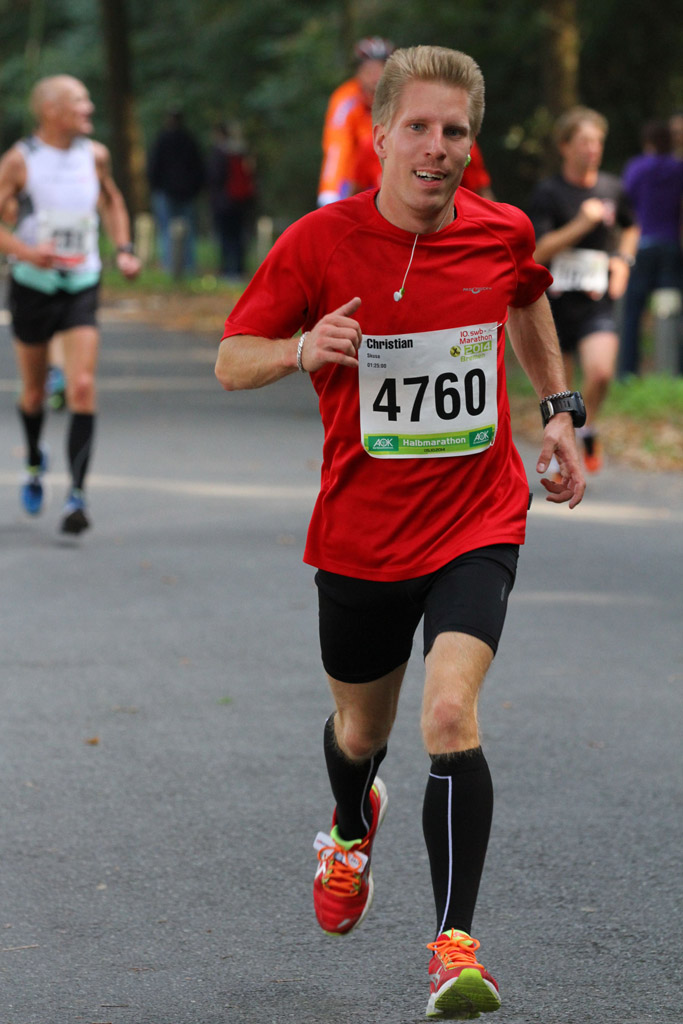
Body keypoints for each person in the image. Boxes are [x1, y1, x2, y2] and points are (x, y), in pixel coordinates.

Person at [216, 45, 585, 1020]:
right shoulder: (318, 241)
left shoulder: (501, 229)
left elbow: (525, 295)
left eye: (453, 131)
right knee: (360, 731)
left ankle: (453, 947)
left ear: (471, 142)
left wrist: (557, 409)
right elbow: (230, 358)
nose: (435, 147)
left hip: (476, 513)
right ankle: (350, 824)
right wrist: (300, 347)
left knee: (448, 715)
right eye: (416, 127)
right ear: (378, 135)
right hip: (362, 533)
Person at [0, 74, 140, 533]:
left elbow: (112, 201)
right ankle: (34, 460)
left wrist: (124, 248)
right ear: (51, 111)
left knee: (81, 385)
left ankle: (77, 496)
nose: (89, 109)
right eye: (79, 102)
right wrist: (25, 252)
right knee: (34, 393)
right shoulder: (20, 160)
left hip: (81, 280)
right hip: (32, 284)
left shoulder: (94, 154)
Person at [528, 106, 638, 473]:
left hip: (596, 301)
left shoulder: (611, 188)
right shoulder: (548, 193)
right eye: (585, 141)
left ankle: (586, 428)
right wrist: (581, 223)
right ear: (565, 146)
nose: (593, 149)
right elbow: (538, 251)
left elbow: (631, 227)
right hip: (555, 304)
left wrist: (623, 260)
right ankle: (565, 446)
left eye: (598, 142)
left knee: (602, 373)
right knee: (561, 388)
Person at [619, 120, 683, 377]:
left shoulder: (637, 167)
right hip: (671, 246)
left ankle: (628, 372)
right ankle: (676, 371)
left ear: (647, 142)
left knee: (633, 312)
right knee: (672, 311)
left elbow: (625, 201)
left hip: (642, 245)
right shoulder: (678, 168)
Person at [317, 36, 394, 206]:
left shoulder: (401, 97)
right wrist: (329, 191)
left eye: (380, 69)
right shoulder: (346, 99)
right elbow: (337, 146)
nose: (375, 77)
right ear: (358, 73)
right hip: (352, 181)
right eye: (369, 70)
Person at [147, 110, 205, 274]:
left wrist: (156, 186)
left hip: (166, 192)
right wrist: (195, 189)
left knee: (167, 230)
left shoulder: (162, 139)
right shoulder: (189, 140)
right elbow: (199, 168)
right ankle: (188, 266)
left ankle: (170, 265)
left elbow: (153, 166)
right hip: (186, 193)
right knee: (188, 231)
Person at [207, 123, 256, 280]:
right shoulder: (242, 153)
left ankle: (227, 270)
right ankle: (238, 269)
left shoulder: (220, 154)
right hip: (241, 202)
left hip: (224, 202)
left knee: (225, 237)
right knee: (238, 236)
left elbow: (215, 177)